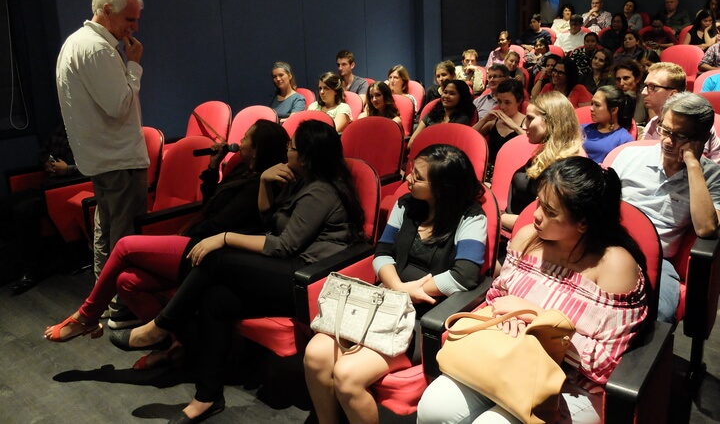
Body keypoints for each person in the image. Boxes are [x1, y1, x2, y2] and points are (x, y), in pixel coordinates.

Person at [110, 120, 367, 423]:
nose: (287, 149)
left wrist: (225, 237)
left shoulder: (321, 192)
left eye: (292, 147)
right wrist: (264, 183)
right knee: (216, 299)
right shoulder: (299, 180)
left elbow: (283, 246)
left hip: (310, 281)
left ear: (307, 157)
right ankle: (207, 397)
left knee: (217, 258)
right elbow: (270, 221)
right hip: (291, 270)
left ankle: (159, 327)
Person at [418, 156, 649, 424]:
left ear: (583, 223)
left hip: (570, 383)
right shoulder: (528, 237)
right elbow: (497, 299)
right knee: (433, 407)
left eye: (550, 211)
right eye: (539, 202)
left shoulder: (614, 266)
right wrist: (503, 316)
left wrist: (538, 319)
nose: (536, 215)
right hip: (506, 357)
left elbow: (606, 364)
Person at [43, 121, 289, 355]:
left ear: (257, 150)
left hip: (209, 251)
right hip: (197, 239)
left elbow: (220, 223)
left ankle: (86, 316)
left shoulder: (261, 183)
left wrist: (182, 235)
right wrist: (214, 166)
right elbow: (213, 203)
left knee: (125, 246)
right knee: (127, 281)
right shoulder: (242, 169)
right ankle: (176, 343)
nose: (240, 140)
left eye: (246, 137)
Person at [304, 144, 487, 424]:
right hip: (385, 300)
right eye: (412, 171)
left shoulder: (471, 217)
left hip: (423, 317)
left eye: (419, 177)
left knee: (347, 375)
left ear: (443, 187)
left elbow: (464, 276)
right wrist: (400, 288)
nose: (409, 179)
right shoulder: (405, 204)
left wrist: (415, 293)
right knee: (315, 355)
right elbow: (382, 253)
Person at [56, 0, 149, 323]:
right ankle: (121, 308)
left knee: (106, 231)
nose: (135, 27)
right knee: (123, 238)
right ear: (106, 11)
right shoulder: (97, 49)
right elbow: (120, 106)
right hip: (119, 159)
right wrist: (134, 64)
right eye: (130, 19)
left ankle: (104, 300)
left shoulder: (74, 43)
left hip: (102, 159)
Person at [612, 92, 720, 323]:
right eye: (665, 130)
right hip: (611, 244)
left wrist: (692, 164)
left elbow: (707, 229)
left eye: (680, 135)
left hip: (658, 259)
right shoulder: (630, 155)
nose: (668, 141)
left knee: (660, 313)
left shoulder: (711, 176)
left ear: (701, 138)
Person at [7, 124, 83, 295]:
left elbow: (95, 166)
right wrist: (46, 162)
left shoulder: (87, 129)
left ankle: (33, 270)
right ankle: (12, 264)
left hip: (68, 189)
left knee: (23, 210)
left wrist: (68, 169)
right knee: (7, 203)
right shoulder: (60, 129)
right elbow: (43, 152)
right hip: (48, 185)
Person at [501, 92, 584, 233]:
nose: (525, 126)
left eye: (530, 119)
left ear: (550, 122)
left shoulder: (566, 166)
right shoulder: (548, 151)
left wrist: (497, 217)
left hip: (529, 236)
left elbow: (543, 221)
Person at [640, 62, 720, 162]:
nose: (643, 92)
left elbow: (694, 166)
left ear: (673, 94)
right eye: (645, 86)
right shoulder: (652, 124)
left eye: (652, 87)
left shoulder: (696, 125)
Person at [474, 79, 526, 166]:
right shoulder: (494, 120)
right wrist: (484, 120)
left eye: (507, 102)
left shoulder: (526, 121)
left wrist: (516, 128)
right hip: (491, 168)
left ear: (519, 101)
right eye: (499, 101)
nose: (502, 106)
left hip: (514, 171)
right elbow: (469, 137)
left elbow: (532, 146)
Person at [409, 80, 475, 148]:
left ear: (461, 97)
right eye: (445, 92)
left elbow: (447, 147)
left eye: (452, 94)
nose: (446, 96)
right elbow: (411, 143)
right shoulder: (432, 114)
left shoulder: (462, 119)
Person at [582, 86, 635, 164]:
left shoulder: (624, 139)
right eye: (592, 103)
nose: (591, 108)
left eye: (597, 105)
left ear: (613, 110)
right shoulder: (583, 129)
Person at [614, 60, 648, 127]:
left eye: (626, 78)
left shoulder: (645, 98)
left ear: (637, 79)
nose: (621, 83)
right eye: (618, 79)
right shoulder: (612, 99)